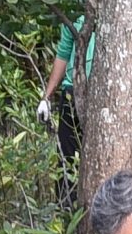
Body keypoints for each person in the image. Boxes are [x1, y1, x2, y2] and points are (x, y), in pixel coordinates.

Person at [37, 13, 96, 164]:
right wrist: (46, 98)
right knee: (68, 159)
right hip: (72, 91)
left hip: (101, 93)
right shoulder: (74, 12)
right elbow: (63, 54)